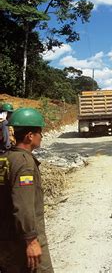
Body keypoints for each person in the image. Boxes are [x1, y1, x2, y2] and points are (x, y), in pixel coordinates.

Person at [0, 108, 54, 272]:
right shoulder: (24, 164)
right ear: (30, 136)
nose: (42, 136)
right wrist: (31, 241)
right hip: (22, 240)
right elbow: (23, 206)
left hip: (6, 238)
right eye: (39, 132)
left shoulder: (5, 158)